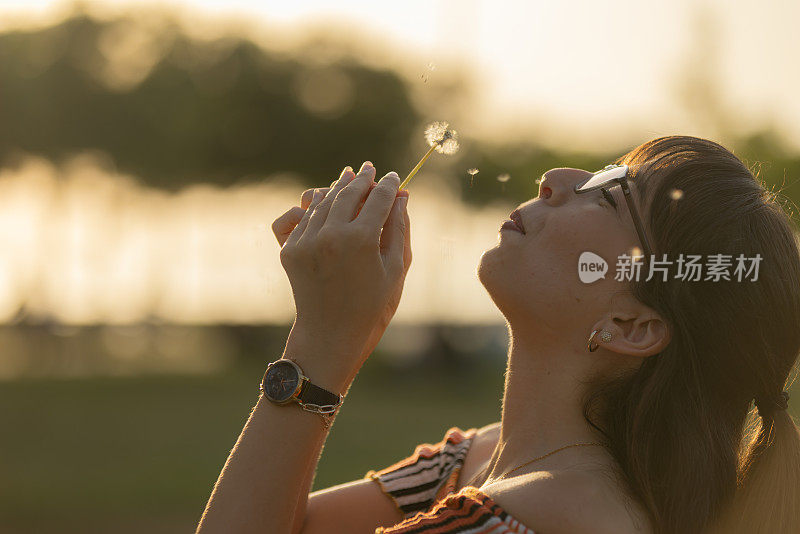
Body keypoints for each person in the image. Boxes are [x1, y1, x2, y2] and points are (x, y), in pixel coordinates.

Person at [195, 136, 800, 534]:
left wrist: (326, 339)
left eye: (609, 193)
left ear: (631, 327)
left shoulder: (533, 517)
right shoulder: (478, 460)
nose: (557, 178)